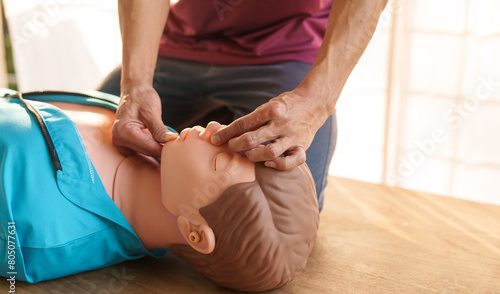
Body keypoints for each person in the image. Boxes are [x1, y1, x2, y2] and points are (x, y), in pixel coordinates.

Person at [0, 89, 318, 292]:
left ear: (195, 231)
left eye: (221, 160)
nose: (216, 129)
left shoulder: (30, 233)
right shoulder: (150, 131)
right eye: (238, 140)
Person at [97, 0, 389, 211]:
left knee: (284, 211)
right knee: (80, 151)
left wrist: (316, 101)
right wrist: (135, 85)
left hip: (287, 47)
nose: (210, 131)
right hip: (182, 41)